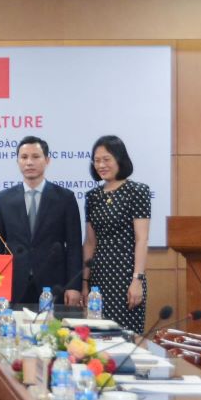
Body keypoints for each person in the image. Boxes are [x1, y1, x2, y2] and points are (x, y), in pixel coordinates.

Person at [0, 136, 82, 305]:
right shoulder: (4, 199)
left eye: (35, 157)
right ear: (17, 161)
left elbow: (74, 246)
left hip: (54, 285)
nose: (29, 162)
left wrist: (74, 286)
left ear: (47, 160)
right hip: (13, 284)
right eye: (24, 157)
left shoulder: (65, 198)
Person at [82, 135, 150, 333]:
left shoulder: (137, 191)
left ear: (119, 159)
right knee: (97, 335)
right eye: (96, 160)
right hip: (98, 278)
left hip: (126, 276)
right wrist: (85, 282)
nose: (101, 165)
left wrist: (137, 280)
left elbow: (142, 239)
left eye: (106, 159)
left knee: (125, 336)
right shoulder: (92, 196)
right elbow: (89, 243)